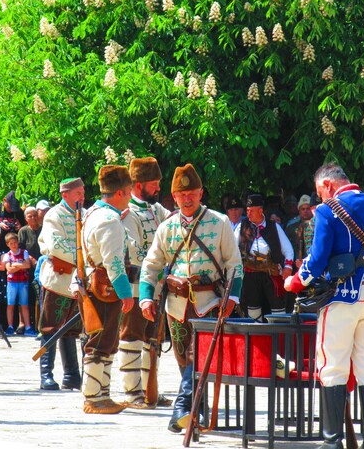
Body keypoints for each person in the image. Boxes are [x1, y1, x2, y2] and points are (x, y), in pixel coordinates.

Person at [285, 162, 364, 449]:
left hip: (343, 296)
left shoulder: (328, 210)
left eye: (321, 193)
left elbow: (317, 260)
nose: (320, 199)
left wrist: (296, 281)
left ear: (328, 186)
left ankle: (332, 443)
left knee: (332, 368)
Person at [139, 164, 243, 433]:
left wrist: (232, 299)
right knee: (186, 360)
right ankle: (197, 414)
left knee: (200, 357)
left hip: (210, 302)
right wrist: (146, 298)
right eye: (181, 194)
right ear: (174, 196)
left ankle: (181, 409)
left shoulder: (219, 222)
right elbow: (150, 266)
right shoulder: (167, 227)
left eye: (192, 193)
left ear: (200, 193)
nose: (187, 199)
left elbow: (235, 265)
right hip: (176, 305)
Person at [81, 165, 135, 414]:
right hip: (105, 287)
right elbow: (114, 263)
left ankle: (102, 394)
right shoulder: (110, 220)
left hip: (95, 284)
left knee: (106, 340)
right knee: (101, 342)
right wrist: (126, 293)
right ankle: (93, 397)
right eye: (130, 190)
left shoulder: (92, 212)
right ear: (122, 192)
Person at [119, 157, 172, 409]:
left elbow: (172, 227)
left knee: (154, 339)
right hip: (136, 287)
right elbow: (135, 251)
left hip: (157, 286)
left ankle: (151, 390)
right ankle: (132, 392)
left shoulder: (156, 209)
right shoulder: (128, 213)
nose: (157, 189)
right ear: (138, 185)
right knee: (132, 337)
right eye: (154, 184)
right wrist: (161, 263)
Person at [37, 178, 85, 391]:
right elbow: (57, 246)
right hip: (58, 279)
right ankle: (46, 374)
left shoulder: (85, 214)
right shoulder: (53, 215)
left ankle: (72, 375)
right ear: (66, 194)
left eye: (83, 192)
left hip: (78, 278)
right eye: (78, 193)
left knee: (71, 329)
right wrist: (83, 258)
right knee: (50, 326)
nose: (82, 197)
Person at [236, 193, 293, 321]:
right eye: (247, 210)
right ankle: (256, 337)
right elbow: (233, 250)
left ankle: (279, 336)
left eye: (251, 211)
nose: (248, 214)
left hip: (271, 273)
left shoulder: (273, 226)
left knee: (277, 306)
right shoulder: (241, 227)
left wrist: (288, 267)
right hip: (250, 274)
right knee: (252, 306)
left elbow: (288, 250)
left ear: (260, 211)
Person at [2, 233, 34, 336]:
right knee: (10, 304)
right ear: (8, 244)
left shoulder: (24, 252)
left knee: (24, 304)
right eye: (11, 243)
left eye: (15, 242)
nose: (14, 245)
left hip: (23, 281)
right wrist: (21, 266)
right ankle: (10, 326)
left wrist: (15, 264)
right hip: (12, 282)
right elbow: (9, 269)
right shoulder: (7, 255)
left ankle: (28, 327)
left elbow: (28, 265)